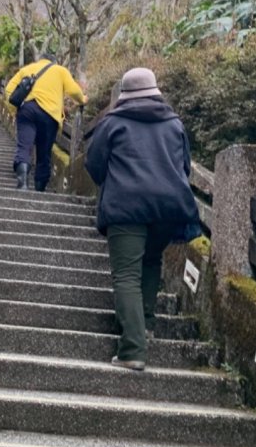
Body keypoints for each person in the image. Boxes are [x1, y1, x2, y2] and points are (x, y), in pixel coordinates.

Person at [85, 67, 201, 371]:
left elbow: (94, 163)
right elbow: (184, 166)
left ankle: (132, 348)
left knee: (126, 274)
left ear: (124, 94)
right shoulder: (174, 124)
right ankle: (146, 324)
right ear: (155, 92)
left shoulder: (113, 123)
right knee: (151, 263)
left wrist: (113, 185)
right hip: (167, 207)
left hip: (127, 207)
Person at [5, 53, 86, 192]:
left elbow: (8, 90)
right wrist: (82, 100)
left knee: (24, 146)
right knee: (44, 153)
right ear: (54, 61)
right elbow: (74, 91)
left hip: (27, 111)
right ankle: (39, 188)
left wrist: (14, 111)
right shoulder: (60, 71)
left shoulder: (27, 69)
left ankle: (23, 184)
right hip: (49, 115)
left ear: (40, 59)